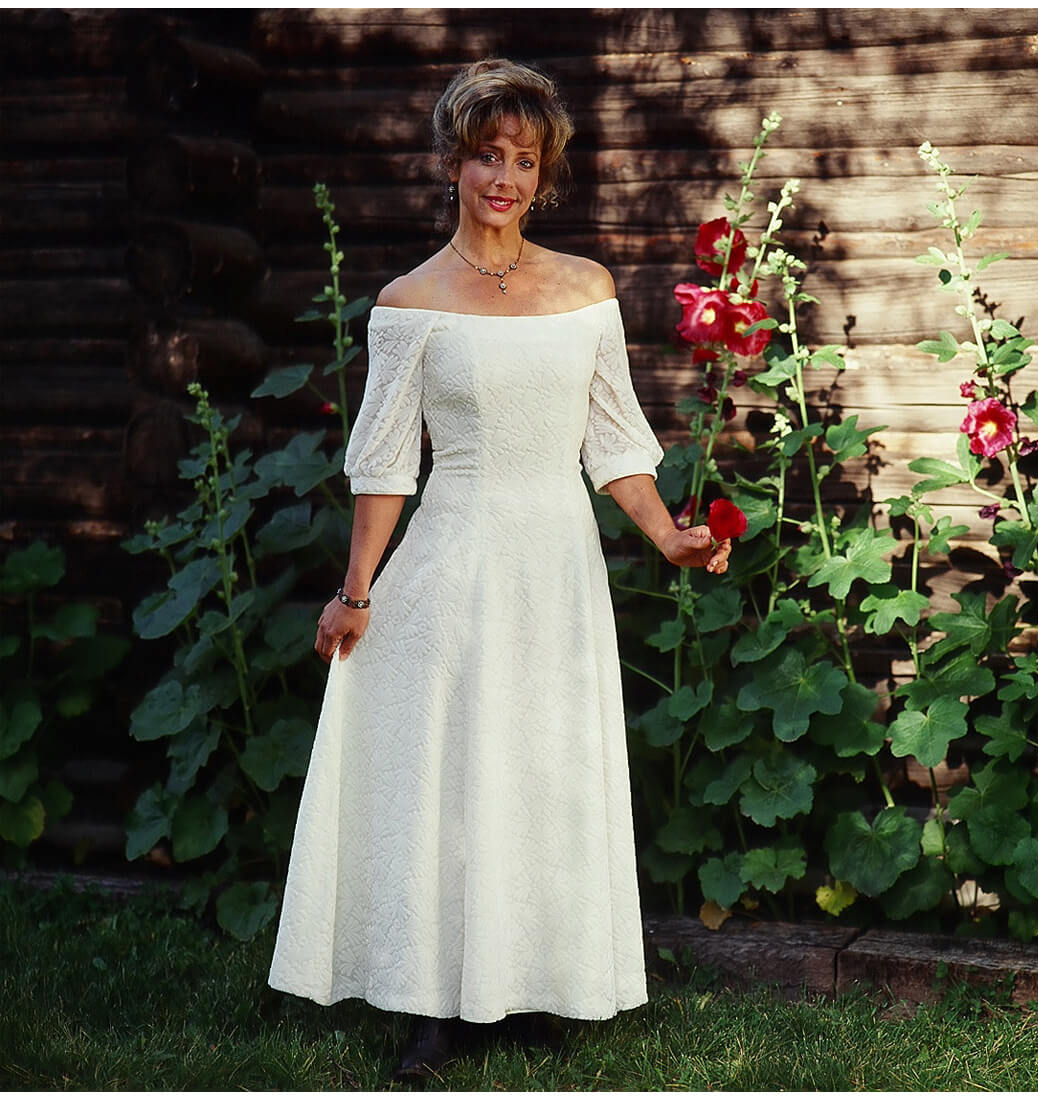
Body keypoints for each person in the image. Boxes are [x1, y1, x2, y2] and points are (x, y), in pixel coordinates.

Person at [268, 58, 731, 1080]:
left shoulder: (584, 292)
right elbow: (385, 465)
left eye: (523, 159)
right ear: (454, 162)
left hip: (555, 564)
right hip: (455, 557)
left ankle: (527, 984)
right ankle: (432, 1004)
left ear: (542, 172)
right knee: (448, 776)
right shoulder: (408, 303)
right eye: (487, 154)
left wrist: (668, 536)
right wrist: (354, 593)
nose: (504, 177)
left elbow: (613, 442)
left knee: (541, 768)